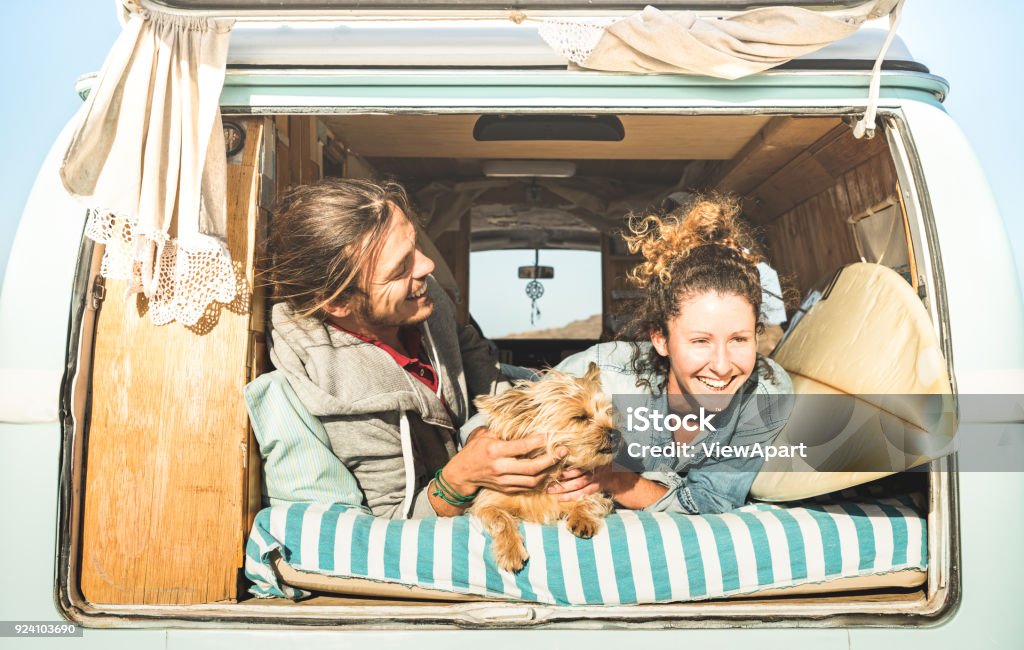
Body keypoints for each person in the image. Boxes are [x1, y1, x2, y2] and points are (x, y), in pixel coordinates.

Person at [473, 195, 793, 514]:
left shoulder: (765, 393)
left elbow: (710, 502)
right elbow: (497, 417)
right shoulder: (606, 372)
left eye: (739, 339)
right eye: (700, 341)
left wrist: (614, 480)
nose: (723, 366)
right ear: (660, 339)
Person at [262, 178, 560, 519]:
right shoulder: (343, 396)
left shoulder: (423, 298)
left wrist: (490, 424)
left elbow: (465, 346)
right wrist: (459, 479)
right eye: (400, 268)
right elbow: (392, 522)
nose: (427, 266)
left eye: (416, 247)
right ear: (340, 302)